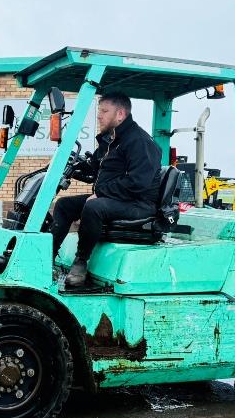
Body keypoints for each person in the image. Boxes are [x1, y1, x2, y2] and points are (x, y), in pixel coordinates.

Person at [50, 92, 162, 287]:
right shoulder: (110, 141)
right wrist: (73, 167)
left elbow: (138, 182)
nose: (99, 115)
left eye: (104, 111)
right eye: (99, 111)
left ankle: (81, 261)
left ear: (120, 114)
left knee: (94, 207)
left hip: (139, 204)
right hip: (117, 199)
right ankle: (46, 257)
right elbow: (95, 169)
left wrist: (101, 193)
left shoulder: (139, 142)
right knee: (64, 204)